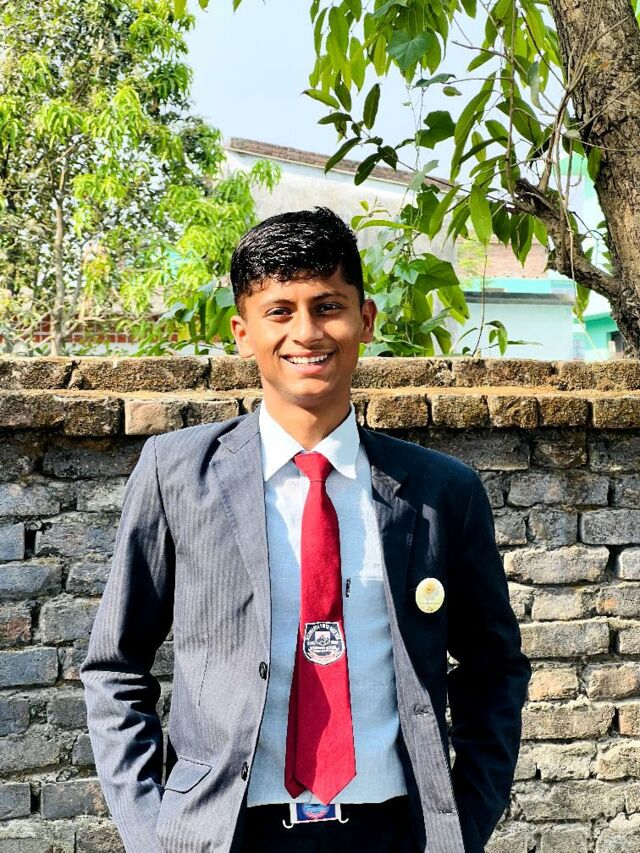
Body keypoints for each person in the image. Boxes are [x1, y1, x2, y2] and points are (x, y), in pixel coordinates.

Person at [79, 206, 532, 853]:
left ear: (365, 319)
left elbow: (494, 667)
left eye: (327, 307)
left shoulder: (440, 492)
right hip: (226, 832)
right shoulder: (177, 475)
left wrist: (466, 819)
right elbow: (115, 666)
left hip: (392, 832)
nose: (306, 332)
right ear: (243, 332)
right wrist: (155, 835)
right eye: (280, 311)